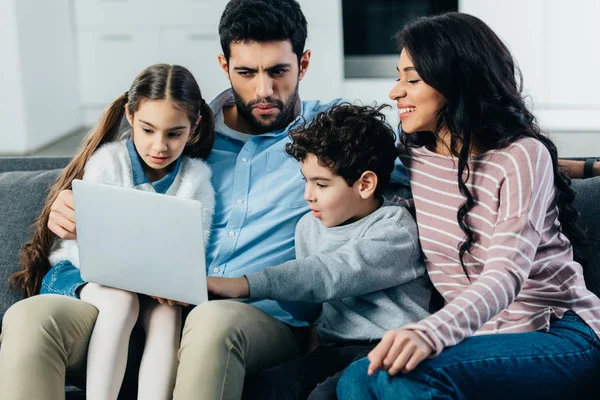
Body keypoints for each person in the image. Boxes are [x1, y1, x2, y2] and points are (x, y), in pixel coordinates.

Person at [0, 1, 410, 399]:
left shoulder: (328, 140)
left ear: (302, 65)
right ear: (224, 66)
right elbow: (117, 185)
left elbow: (407, 182)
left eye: (279, 71)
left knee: (212, 323)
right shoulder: (179, 132)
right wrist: (64, 207)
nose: (264, 89)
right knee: (29, 318)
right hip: (142, 308)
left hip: (256, 318)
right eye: (246, 72)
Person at [336, 12, 600, 400]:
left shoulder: (522, 156)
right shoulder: (413, 155)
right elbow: (337, 162)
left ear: (456, 83)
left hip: (558, 332)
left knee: (394, 378)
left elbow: (505, 273)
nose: (395, 92)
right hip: (477, 340)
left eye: (412, 79)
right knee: (358, 378)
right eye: (398, 76)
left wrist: (430, 331)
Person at [4, 63, 215, 400]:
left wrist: (169, 285)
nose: (159, 145)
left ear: (194, 127)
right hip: (80, 272)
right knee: (120, 301)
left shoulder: (197, 180)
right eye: (148, 130)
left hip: (153, 286)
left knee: (167, 315)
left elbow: (191, 250)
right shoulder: (107, 162)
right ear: (130, 117)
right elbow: (87, 247)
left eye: (174, 133)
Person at [206, 103, 432, 399]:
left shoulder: (395, 228)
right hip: (333, 348)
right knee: (267, 388)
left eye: (321, 184)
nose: (308, 195)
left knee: (324, 396)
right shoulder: (308, 227)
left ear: (365, 184)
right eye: (306, 181)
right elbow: (309, 301)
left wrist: (242, 284)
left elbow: (332, 273)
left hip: (389, 347)